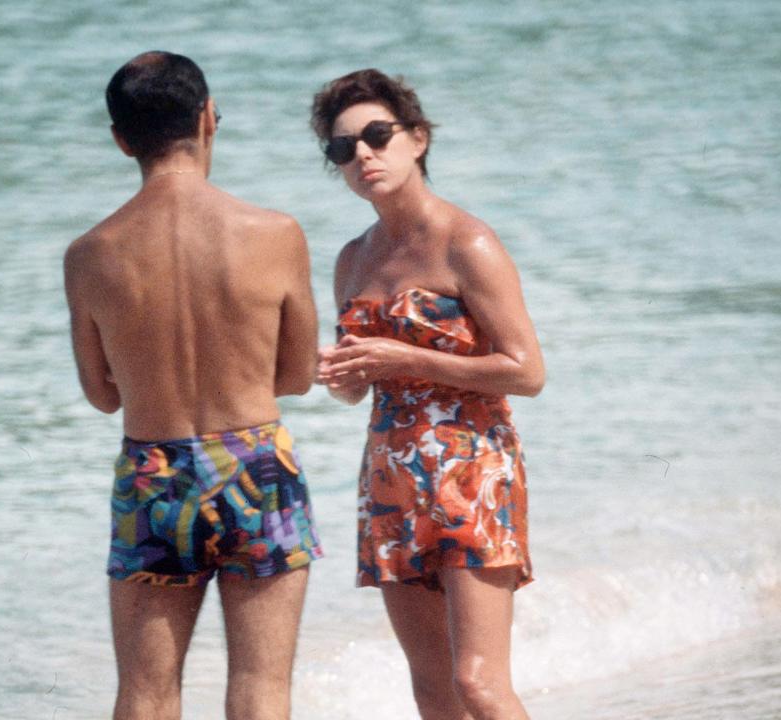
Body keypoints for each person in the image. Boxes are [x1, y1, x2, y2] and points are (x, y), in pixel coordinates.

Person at [64, 51, 322, 720]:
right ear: (210, 119)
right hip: (255, 464)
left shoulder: (91, 253)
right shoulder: (275, 233)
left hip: (154, 471)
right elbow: (298, 375)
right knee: (262, 687)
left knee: (146, 692)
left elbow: (100, 393)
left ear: (121, 139)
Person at [311, 69, 545, 720]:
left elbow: (527, 371)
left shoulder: (466, 240)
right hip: (389, 480)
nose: (362, 154)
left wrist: (402, 355)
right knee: (431, 690)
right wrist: (347, 376)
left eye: (377, 136)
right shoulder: (352, 259)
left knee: (478, 684)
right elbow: (358, 393)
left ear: (416, 139)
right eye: (342, 147)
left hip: (472, 468)